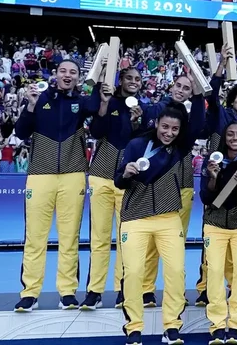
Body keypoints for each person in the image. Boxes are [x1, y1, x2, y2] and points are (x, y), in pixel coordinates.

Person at [13, 60, 100, 312]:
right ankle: (30, 293)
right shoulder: (39, 99)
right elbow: (20, 132)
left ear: (78, 77)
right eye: (63, 71)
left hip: (73, 176)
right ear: (55, 74)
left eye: (73, 72)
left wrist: (97, 76)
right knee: (34, 238)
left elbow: (95, 105)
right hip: (40, 175)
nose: (68, 75)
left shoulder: (82, 103)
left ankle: (67, 292)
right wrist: (29, 105)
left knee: (69, 237)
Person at [115, 102, 197, 345]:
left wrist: (202, 87)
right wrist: (127, 174)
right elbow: (118, 180)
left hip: (168, 218)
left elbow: (199, 124)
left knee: (175, 272)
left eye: (174, 129)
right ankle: (134, 327)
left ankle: (171, 325)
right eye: (165, 127)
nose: (169, 133)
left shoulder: (179, 148)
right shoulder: (137, 144)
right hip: (135, 218)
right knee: (133, 273)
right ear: (157, 124)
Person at [196, 46, 237, 307]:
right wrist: (221, 66)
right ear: (232, 99)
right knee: (210, 240)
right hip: (216, 178)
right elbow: (211, 95)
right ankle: (205, 287)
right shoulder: (220, 115)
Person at [83, 66, 145, 310]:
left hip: (127, 181)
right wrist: (104, 104)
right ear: (120, 80)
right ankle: (94, 291)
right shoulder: (108, 100)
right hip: (100, 176)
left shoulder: (142, 108)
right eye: (129, 78)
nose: (133, 82)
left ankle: (122, 290)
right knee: (99, 237)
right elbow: (97, 132)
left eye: (137, 79)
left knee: (125, 239)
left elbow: (140, 141)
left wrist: (135, 123)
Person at [141, 74, 206, 307]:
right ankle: (146, 290)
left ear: (191, 93)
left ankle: (175, 293)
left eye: (187, 88)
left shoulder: (189, 123)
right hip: (154, 186)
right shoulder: (154, 110)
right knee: (150, 244)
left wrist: (199, 95)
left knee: (176, 247)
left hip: (183, 187)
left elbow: (200, 123)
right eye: (178, 85)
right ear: (171, 86)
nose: (181, 90)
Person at [200, 122, 237, 345]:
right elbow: (205, 197)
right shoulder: (213, 159)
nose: (235, 137)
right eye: (230, 134)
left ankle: (236, 324)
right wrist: (213, 176)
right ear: (224, 137)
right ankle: (218, 325)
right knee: (214, 272)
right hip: (215, 223)